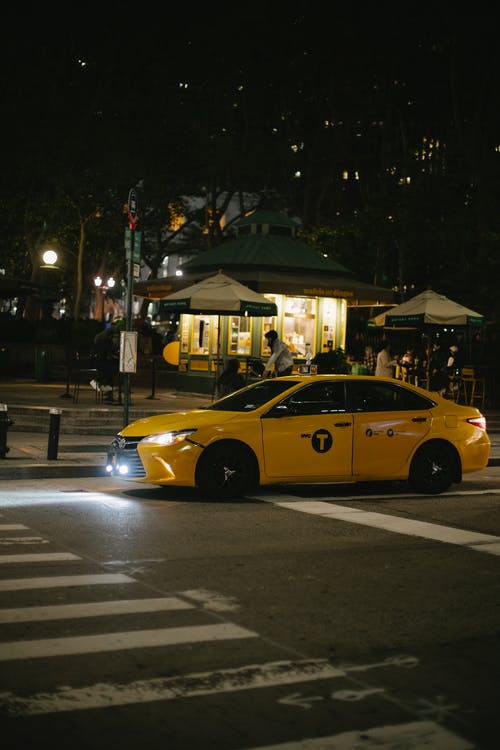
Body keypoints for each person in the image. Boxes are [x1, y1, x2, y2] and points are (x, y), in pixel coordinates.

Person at [90, 324, 119, 402]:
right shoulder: (106, 341)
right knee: (113, 369)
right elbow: (110, 353)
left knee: (111, 369)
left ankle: (106, 387)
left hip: (97, 362)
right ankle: (102, 384)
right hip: (102, 363)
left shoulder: (99, 338)